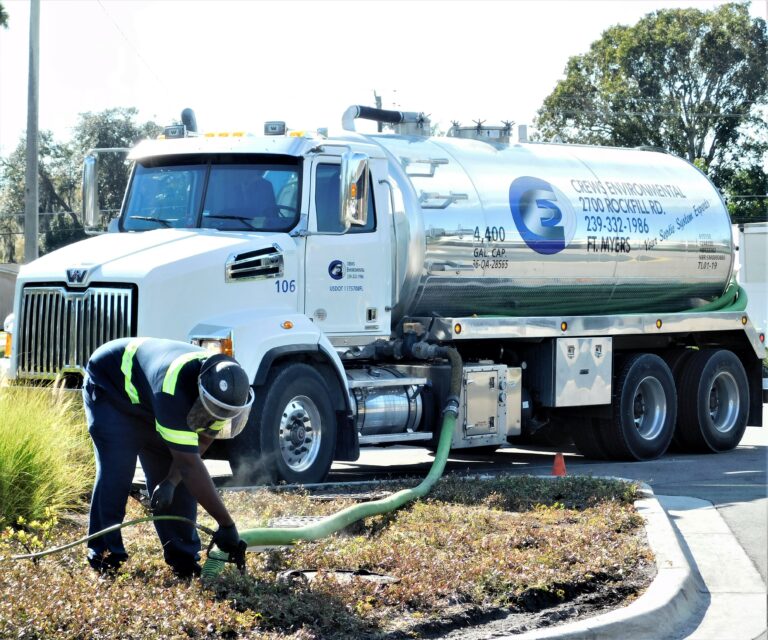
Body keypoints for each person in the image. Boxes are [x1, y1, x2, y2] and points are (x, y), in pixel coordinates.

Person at [82, 337, 255, 578]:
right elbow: (189, 465)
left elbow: (202, 440)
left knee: (175, 479)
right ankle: (104, 559)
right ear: (199, 391)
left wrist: (171, 482)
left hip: (150, 401)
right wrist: (226, 524)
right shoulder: (173, 389)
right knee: (117, 470)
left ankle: (183, 560)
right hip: (111, 389)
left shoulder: (222, 387)